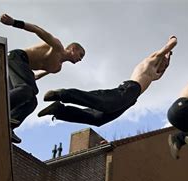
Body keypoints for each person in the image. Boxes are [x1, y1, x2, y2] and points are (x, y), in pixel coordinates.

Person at [37, 36, 178, 126]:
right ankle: (62, 94)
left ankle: (59, 111)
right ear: (160, 59)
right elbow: (169, 45)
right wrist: (171, 44)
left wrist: (168, 60)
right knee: (105, 103)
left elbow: (162, 73)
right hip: (130, 89)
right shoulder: (149, 62)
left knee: (98, 119)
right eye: (164, 64)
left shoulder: (154, 74)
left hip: (131, 99)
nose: (163, 68)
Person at [0, 13, 85, 143]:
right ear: (73, 48)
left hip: (22, 68)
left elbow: (36, 75)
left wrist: (32, 79)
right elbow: (36, 29)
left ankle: (9, 126)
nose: (80, 59)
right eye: (80, 55)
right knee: (28, 89)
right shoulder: (56, 46)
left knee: (32, 102)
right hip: (16, 57)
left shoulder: (56, 68)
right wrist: (13, 22)